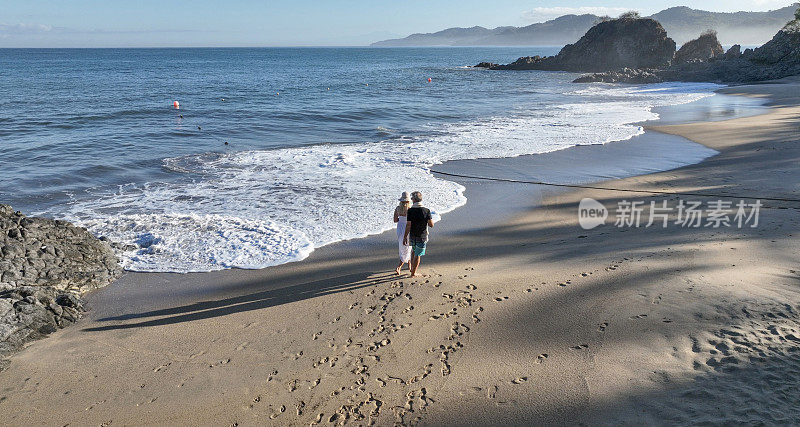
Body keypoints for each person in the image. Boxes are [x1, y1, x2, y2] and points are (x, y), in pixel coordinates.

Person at [403, 191, 434, 278]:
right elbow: (431, 225)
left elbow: (408, 225)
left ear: (414, 200)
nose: (411, 199)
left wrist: (405, 237)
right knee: (418, 254)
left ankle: (412, 270)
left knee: (413, 252)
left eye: (412, 198)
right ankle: (413, 273)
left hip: (412, 235)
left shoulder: (410, 211)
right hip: (422, 236)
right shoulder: (426, 210)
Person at [393, 192, 412, 275]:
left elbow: (395, 220)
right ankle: (399, 266)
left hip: (400, 228)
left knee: (402, 246)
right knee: (409, 246)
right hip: (408, 228)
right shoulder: (411, 210)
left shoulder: (397, 208)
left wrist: (401, 219)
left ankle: (409, 264)